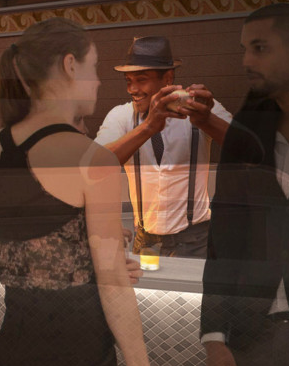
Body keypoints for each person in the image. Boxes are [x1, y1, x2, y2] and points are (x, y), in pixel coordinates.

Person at [0, 18, 154, 366]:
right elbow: (111, 283)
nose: (99, 81)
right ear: (69, 64)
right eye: (96, 68)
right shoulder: (90, 159)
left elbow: (23, 238)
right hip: (76, 358)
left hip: (15, 347)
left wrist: (97, 255)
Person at [201, 3, 289, 366]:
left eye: (260, 47)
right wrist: (214, 334)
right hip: (252, 339)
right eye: (244, 48)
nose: (245, 60)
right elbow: (224, 239)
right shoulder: (245, 128)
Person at [94, 36, 232, 256]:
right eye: (128, 80)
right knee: (148, 292)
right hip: (147, 242)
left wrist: (207, 120)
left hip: (196, 238)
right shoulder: (121, 116)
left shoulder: (198, 109)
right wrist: (148, 127)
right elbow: (94, 166)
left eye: (141, 79)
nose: (132, 89)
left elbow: (246, 148)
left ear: (167, 78)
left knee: (198, 291)